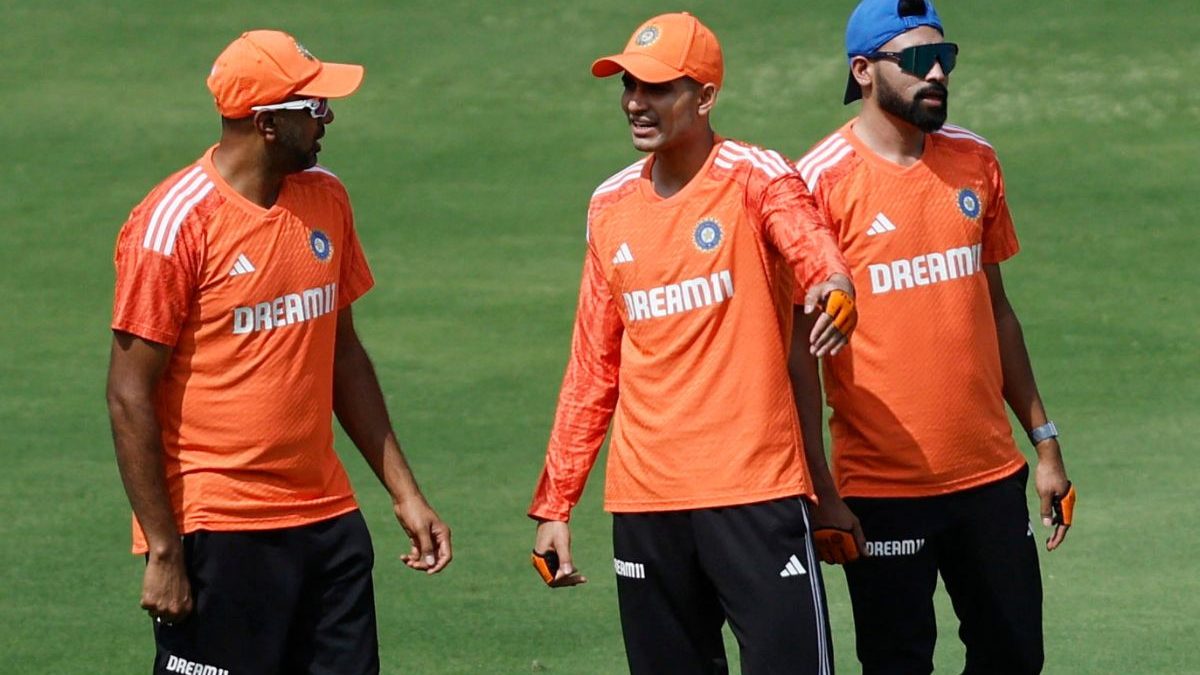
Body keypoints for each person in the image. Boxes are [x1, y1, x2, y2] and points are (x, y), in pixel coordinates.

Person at [105, 29, 451, 675]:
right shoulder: (172, 224)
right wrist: (163, 548)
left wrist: (405, 492)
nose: (327, 118)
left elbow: (343, 355)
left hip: (327, 520)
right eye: (313, 106)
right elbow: (128, 393)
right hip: (220, 527)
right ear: (267, 123)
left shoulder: (327, 197)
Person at [527, 12, 858, 674]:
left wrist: (832, 284)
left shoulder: (753, 175)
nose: (634, 102)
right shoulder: (609, 205)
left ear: (705, 97)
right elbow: (593, 365)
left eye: (657, 88)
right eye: (628, 85)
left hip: (754, 492)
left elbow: (809, 240)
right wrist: (555, 504)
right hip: (647, 504)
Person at [790, 1, 1076, 673]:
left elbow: (997, 310)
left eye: (945, 57)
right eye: (917, 61)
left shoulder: (976, 160)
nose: (938, 72)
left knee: (1014, 657)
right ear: (863, 71)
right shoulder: (818, 183)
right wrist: (821, 489)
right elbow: (795, 354)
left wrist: (1045, 440)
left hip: (990, 478)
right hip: (881, 492)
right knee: (897, 663)